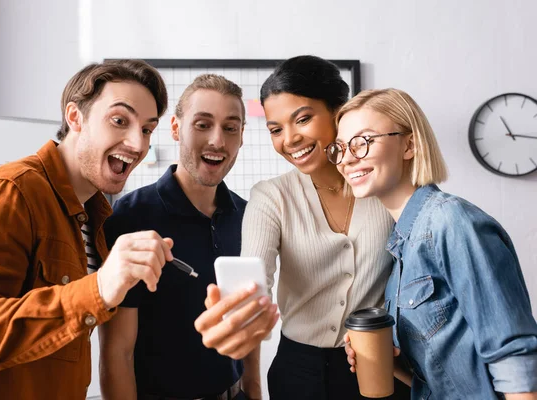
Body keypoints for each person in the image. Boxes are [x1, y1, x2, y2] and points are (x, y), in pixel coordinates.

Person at [0, 59, 174, 400]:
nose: (138, 144)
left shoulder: (97, 217)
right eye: (119, 121)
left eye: (148, 129)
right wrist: (99, 288)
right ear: (75, 117)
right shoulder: (8, 193)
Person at [337, 88, 537, 400]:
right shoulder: (402, 242)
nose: (347, 158)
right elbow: (436, 381)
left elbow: (513, 356)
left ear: (409, 144)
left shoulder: (451, 221)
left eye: (363, 141)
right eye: (340, 148)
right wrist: (385, 361)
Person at [230, 55, 410, 399]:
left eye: (303, 119)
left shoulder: (385, 185)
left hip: (381, 361)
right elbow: (255, 280)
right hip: (300, 371)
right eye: (276, 130)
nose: (290, 139)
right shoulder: (271, 197)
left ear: (338, 113)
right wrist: (243, 315)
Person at [100, 74, 279, 400]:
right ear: (174, 128)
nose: (217, 141)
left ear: (241, 137)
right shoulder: (131, 216)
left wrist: (253, 392)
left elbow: (248, 321)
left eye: (230, 127)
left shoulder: (249, 215)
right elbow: (117, 353)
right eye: (202, 124)